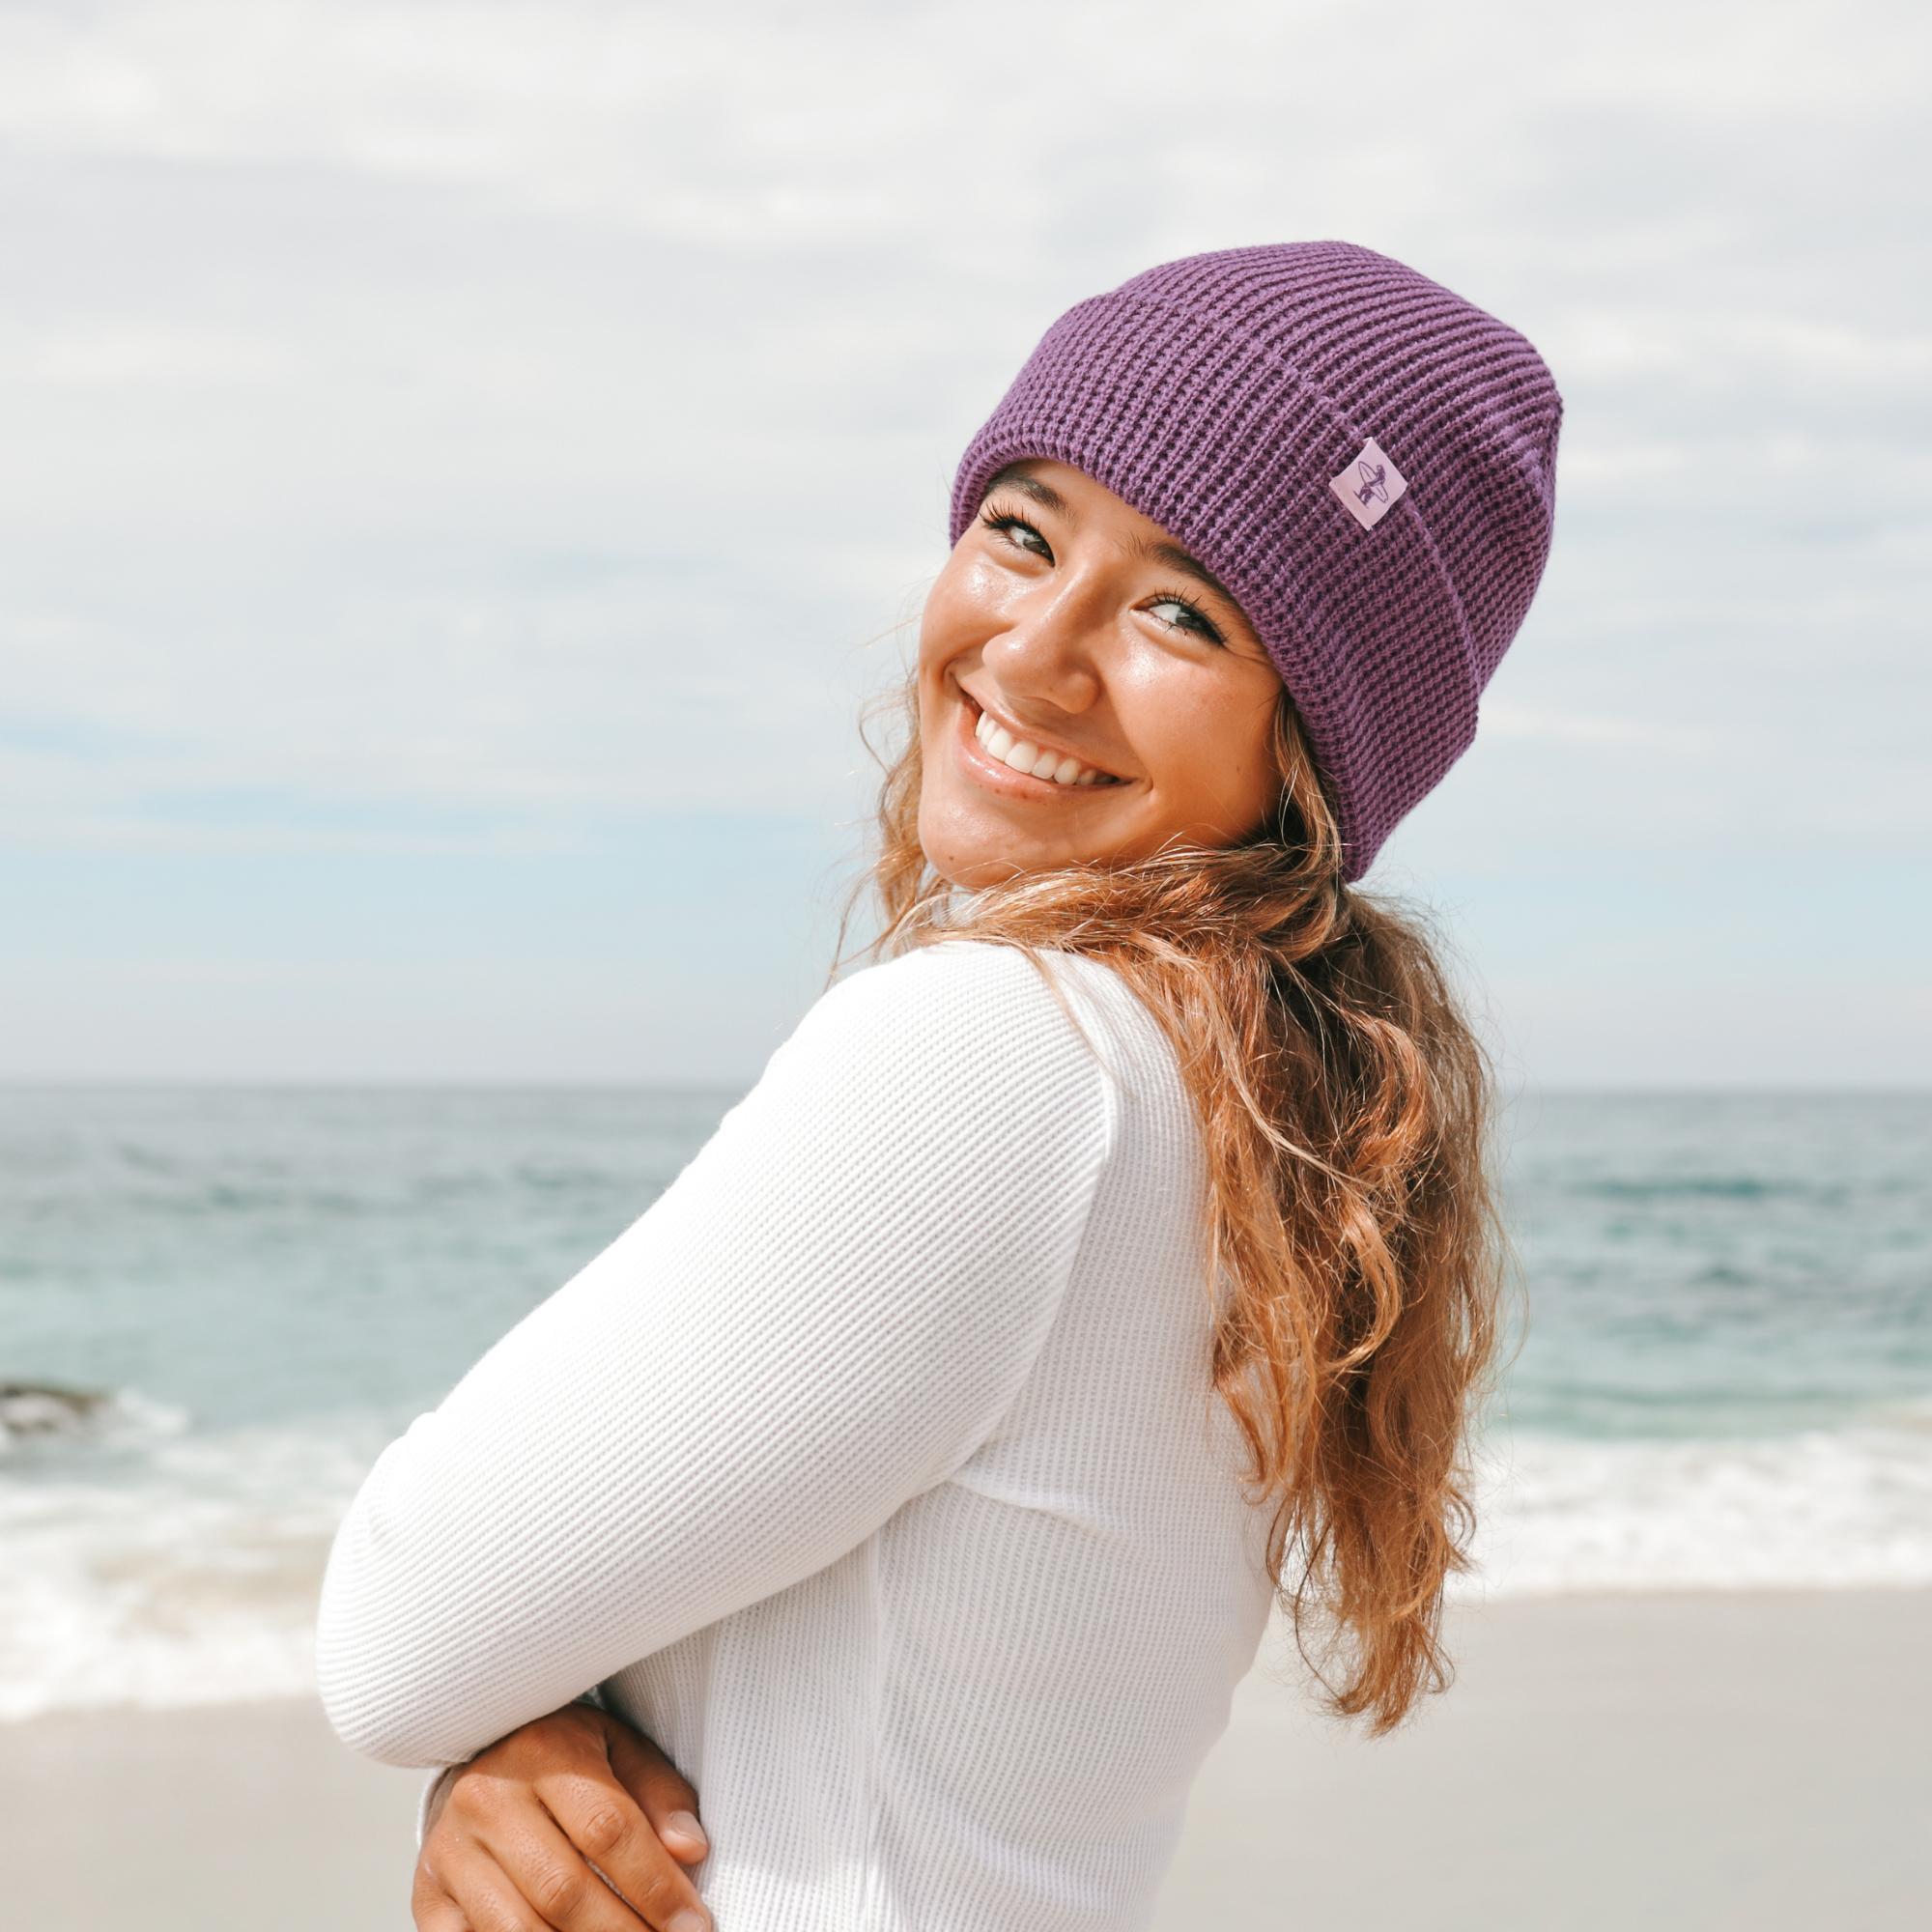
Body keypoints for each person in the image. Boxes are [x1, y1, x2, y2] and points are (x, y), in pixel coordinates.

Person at [316, 238, 1564, 1932]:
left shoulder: (1010, 1053)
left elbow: (398, 1629)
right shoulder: (1245, 1100)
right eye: (1023, 532)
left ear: (1312, 752)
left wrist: (512, 1719)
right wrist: (529, 1729)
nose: (1035, 653)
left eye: (1184, 613)